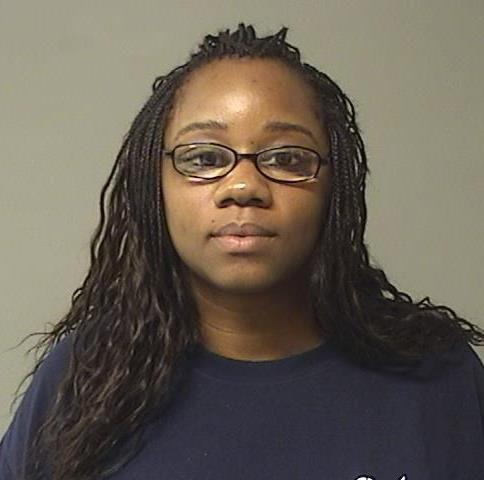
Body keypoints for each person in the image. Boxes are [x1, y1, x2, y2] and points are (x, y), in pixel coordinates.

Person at [1, 22, 483, 480]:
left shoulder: (438, 378)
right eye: (204, 158)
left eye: (286, 158)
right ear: (154, 184)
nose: (244, 186)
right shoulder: (84, 378)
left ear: (334, 187)